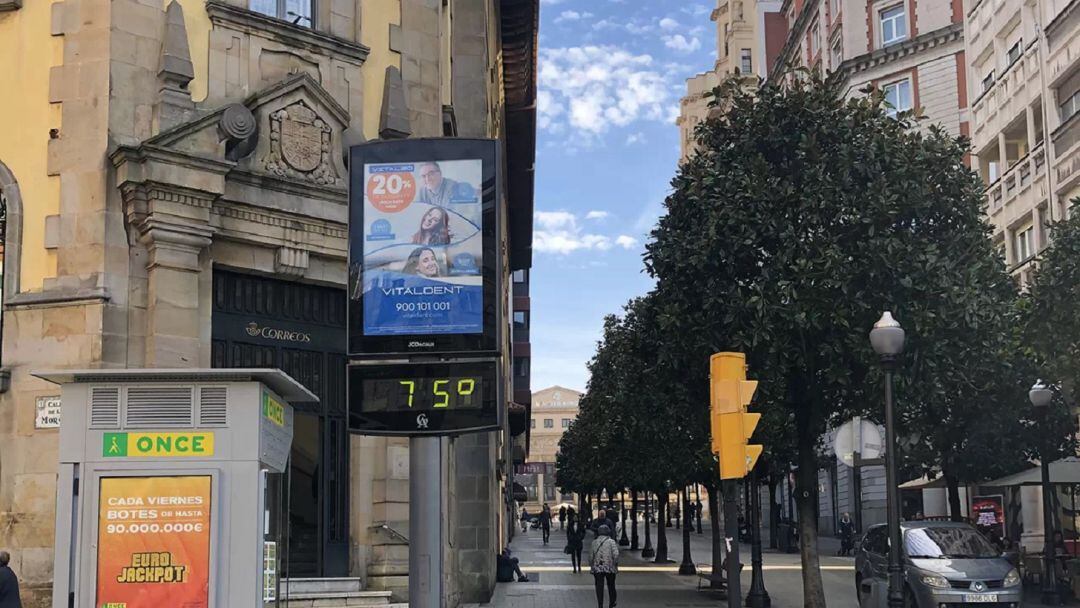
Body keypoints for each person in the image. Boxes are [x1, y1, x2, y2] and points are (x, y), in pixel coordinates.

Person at [590, 525, 619, 608]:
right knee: (611, 585)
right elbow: (616, 554)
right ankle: (612, 602)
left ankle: (600, 604)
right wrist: (615, 564)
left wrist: (592, 565)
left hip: (598, 567)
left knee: (599, 586)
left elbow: (590, 556)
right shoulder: (611, 542)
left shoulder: (594, 542)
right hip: (609, 567)